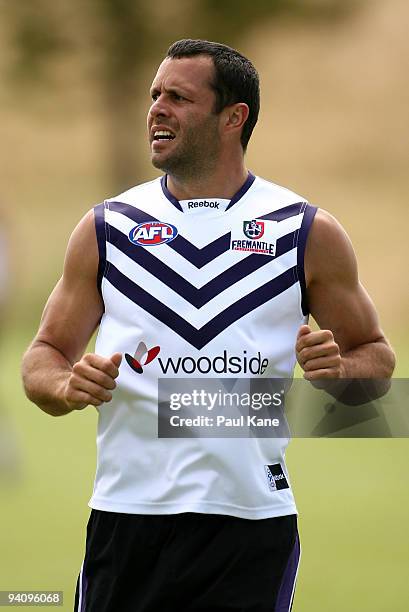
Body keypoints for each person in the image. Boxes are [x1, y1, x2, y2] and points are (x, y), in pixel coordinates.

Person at [22, 39, 395, 612]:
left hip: (250, 526)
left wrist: (341, 372)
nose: (156, 108)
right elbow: (43, 356)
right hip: (127, 520)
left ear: (233, 117)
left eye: (178, 96)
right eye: (154, 95)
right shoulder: (107, 227)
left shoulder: (305, 231)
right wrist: (65, 385)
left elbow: (377, 359)